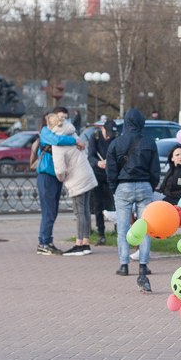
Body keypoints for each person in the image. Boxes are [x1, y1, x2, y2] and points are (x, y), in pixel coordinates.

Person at [106, 108, 160, 291]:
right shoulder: (149, 142)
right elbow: (155, 169)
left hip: (123, 187)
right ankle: (143, 265)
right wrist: (150, 185)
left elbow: (111, 171)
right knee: (145, 228)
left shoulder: (116, 143)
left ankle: (123, 265)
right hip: (145, 185)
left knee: (123, 228)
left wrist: (115, 189)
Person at [35, 106, 84, 255]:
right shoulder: (46, 131)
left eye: (65, 118)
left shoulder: (61, 130)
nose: (62, 120)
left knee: (53, 211)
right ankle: (44, 242)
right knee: (49, 211)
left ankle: (46, 241)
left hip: (56, 176)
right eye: (60, 117)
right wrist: (74, 141)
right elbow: (56, 140)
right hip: (46, 175)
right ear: (52, 118)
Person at [49, 113, 98, 255]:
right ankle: (86, 242)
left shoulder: (57, 143)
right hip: (87, 174)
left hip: (76, 179)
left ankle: (79, 244)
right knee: (86, 210)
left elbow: (60, 169)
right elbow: (85, 150)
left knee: (79, 211)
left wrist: (62, 178)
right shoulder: (73, 134)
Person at [88, 118, 118, 245]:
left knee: (117, 203)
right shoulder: (94, 137)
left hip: (111, 175)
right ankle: (101, 234)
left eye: (112, 135)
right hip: (98, 174)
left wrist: (111, 163)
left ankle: (119, 230)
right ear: (103, 129)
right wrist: (98, 163)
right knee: (98, 205)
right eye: (108, 134)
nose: (109, 137)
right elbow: (90, 156)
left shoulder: (115, 138)